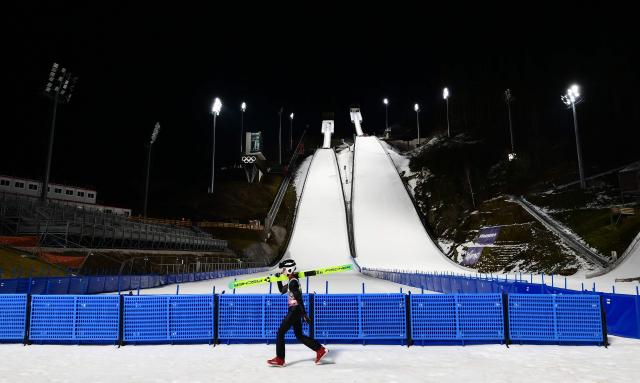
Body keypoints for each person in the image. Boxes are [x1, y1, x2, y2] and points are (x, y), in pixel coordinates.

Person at [267, 259, 328, 367]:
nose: (283, 271)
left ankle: (280, 359)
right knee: (299, 335)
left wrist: (304, 314)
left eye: (284, 269)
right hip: (296, 310)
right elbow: (282, 290)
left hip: (295, 310)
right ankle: (320, 350)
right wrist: (278, 279)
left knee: (280, 333)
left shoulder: (293, 282)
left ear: (289, 269)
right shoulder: (292, 281)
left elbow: (299, 298)